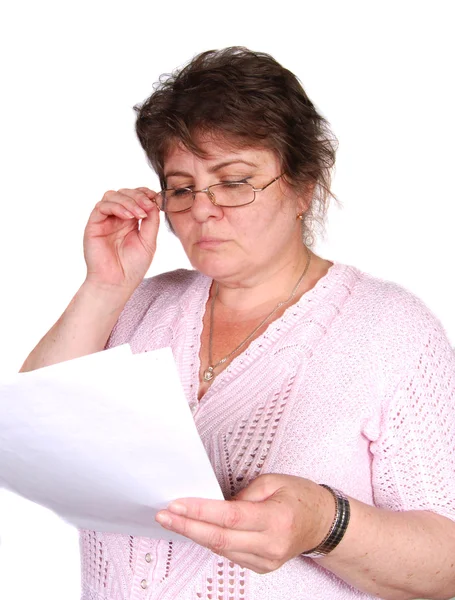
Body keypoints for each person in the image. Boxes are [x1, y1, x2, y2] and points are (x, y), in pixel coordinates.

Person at [21, 47, 455, 600]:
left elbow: (448, 565)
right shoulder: (138, 304)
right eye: (181, 187)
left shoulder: (392, 332)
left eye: (234, 181)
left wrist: (326, 522)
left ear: (303, 186)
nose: (202, 209)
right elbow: (33, 427)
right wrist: (103, 287)